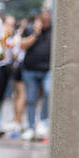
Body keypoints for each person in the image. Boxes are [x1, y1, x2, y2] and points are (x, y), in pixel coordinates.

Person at [19, 8, 52, 140]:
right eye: (43, 20)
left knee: (48, 91)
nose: (45, 23)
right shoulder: (30, 29)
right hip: (30, 69)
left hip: (47, 70)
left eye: (47, 20)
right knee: (31, 99)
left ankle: (43, 121)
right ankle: (31, 127)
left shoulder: (54, 31)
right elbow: (22, 46)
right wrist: (36, 33)